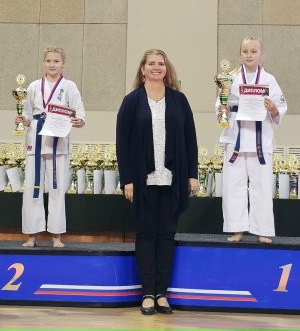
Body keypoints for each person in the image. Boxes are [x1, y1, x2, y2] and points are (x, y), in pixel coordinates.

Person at [116, 49, 199, 316]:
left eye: (160, 63)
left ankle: (162, 293)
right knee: (145, 234)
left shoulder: (179, 100)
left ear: (166, 69)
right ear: (142, 69)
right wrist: (127, 180)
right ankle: (147, 294)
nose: (156, 67)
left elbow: (190, 139)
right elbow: (122, 143)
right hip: (142, 181)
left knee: (166, 236)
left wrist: (192, 175)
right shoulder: (131, 101)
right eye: (150, 63)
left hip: (173, 180)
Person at [215, 37, 287, 244]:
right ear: (240, 53)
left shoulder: (269, 80)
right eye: (245, 51)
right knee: (233, 185)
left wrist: (273, 109)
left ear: (261, 54)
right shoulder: (230, 78)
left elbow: (280, 107)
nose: (249, 55)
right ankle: (236, 229)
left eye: (253, 51)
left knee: (261, 186)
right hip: (235, 137)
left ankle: (262, 230)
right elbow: (221, 104)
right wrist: (223, 109)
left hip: (260, 139)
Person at [15, 47, 85, 248]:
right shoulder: (33, 86)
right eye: (48, 61)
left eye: (56, 61)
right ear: (43, 63)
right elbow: (27, 114)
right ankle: (32, 235)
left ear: (63, 63)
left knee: (57, 188)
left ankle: (56, 236)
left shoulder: (69, 86)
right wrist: (23, 119)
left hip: (58, 142)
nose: (52, 64)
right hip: (36, 139)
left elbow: (79, 114)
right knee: (32, 188)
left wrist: (79, 121)